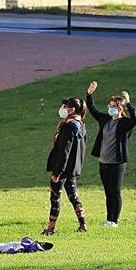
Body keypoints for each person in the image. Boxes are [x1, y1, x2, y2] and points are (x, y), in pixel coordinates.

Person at [86, 81, 136, 227]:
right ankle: (108, 219)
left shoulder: (125, 123)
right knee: (108, 192)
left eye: (114, 106)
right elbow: (93, 109)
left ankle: (114, 220)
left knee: (115, 192)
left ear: (121, 108)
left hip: (117, 162)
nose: (111, 108)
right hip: (104, 162)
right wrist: (89, 94)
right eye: (110, 106)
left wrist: (129, 103)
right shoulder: (106, 120)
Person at [43, 97, 88, 235]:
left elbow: (64, 151)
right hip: (72, 169)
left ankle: (50, 228)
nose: (62, 109)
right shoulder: (81, 125)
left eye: (65, 106)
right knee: (73, 196)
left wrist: (57, 172)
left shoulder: (69, 126)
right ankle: (83, 225)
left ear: (72, 109)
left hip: (62, 169)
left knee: (55, 197)